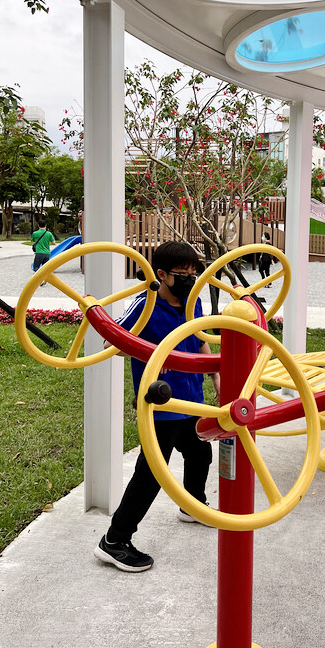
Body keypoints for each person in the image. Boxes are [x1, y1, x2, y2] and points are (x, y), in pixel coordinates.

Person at [95, 241, 220, 573]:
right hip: (161, 406)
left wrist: (216, 379)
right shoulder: (145, 304)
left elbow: (201, 340)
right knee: (151, 474)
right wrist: (152, 354)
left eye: (194, 273)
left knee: (200, 453)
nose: (190, 280)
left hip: (191, 400)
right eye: (182, 274)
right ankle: (114, 541)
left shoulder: (193, 301)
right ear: (161, 275)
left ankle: (192, 506)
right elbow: (112, 341)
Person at [31, 217, 55, 285]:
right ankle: (45, 279)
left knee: (36, 267)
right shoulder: (49, 234)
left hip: (39, 252)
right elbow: (53, 242)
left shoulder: (35, 233)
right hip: (47, 253)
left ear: (38, 226)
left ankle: (40, 280)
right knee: (45, 268)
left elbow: (33, 240)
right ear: (45, 226)